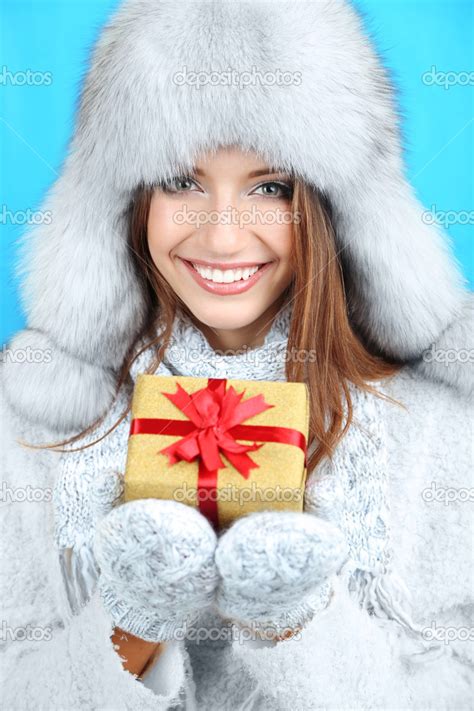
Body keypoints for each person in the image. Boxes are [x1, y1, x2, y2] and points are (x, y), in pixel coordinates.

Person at [1, 1, 472, 709]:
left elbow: (453, 686)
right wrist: (133, 624)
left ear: (331, 207)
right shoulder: (34, 424)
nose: (223, 237)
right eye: (182, 181)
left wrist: (298, 622)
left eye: (270, 186)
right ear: (127, 203)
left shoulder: (436, 424)